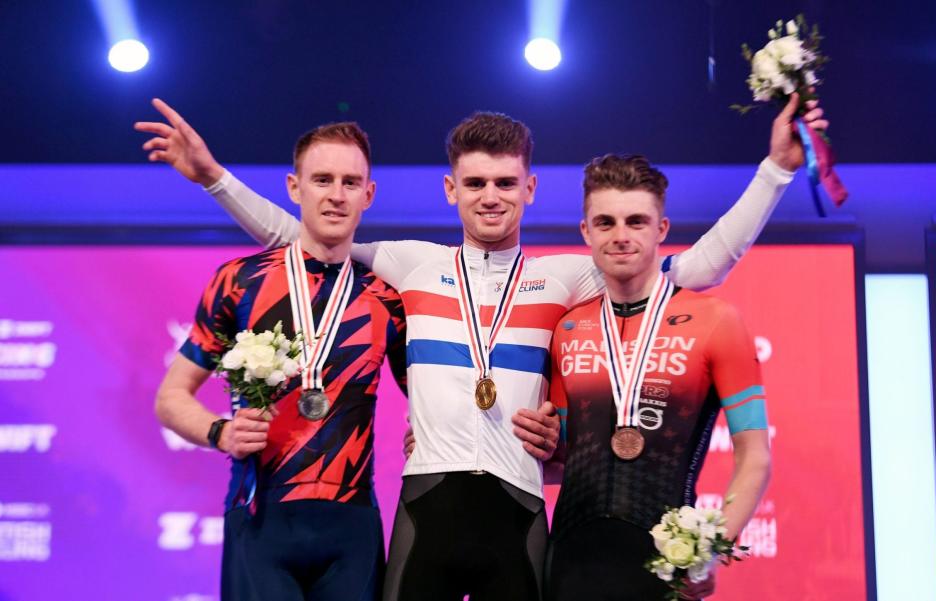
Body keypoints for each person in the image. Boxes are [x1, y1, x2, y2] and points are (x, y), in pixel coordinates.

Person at [137, 93, 824, 601]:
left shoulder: (571, 273)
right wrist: (213, 178)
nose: (490, 197)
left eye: (504, 183)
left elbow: (695, 269)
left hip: (518, 513)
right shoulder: (408, 264)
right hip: (422, 509)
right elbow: (312, 235)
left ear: (529, 188)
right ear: (450, 189)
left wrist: (775, 171)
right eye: (475, 183)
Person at [153, 121, 407, 601]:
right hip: (261, 517)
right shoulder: (239, 281)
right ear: (295, 187)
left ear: (368, 194)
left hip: (351, 525)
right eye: (322, 180)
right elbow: (171, 397)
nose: (336, 195)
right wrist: (220, 432)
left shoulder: (386, 296)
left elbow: (430, 392)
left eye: (350, 183)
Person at [545, 153, 773, 601]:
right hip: (570, 561)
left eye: (636, 221)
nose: (621, 236)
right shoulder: (567, 329)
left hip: (666, 567)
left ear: (661, 230)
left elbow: (756, 457)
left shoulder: (716, 320)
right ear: (586, 232)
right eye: (605, 222)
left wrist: (710, 547)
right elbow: (561, 463)